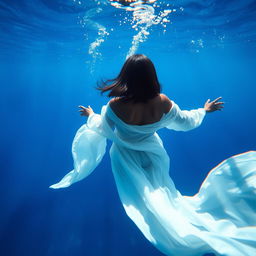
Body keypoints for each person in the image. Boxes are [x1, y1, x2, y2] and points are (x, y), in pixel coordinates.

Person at [50, 54, 256, 256]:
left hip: (125, 158)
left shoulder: (115, 106)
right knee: (166, 194)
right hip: (153, 153)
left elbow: (102, 128)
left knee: (149, 198)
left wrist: (91, 115)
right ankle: (191, 229)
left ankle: (177, 232)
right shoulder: (163, 102)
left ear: (126, 77)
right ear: (152, 77)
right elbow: (186, 122)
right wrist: (203, 110)